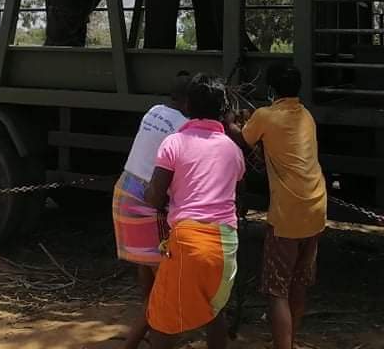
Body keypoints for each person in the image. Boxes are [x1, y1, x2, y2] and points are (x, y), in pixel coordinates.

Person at [226, 63, 326, 349]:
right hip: (316, 208)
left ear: (270, 89)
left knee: (276, 290)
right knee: (298, 283)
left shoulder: (265, 116)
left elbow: (242, 138)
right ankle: (290, 342)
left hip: (287, 214)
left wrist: (229, 121)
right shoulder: (306, 116)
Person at [144, 73, 244, 349]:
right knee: (214, 310)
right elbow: (234, 190)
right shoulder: (232, 150)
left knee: (162, 320)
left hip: (188, 242)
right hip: (225, 244)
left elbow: (154, 197)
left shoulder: (174, 143)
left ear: (187, 105)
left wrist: (150, 193)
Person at [112, 71, 191, 349]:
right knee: (167, 285)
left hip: (125, 189)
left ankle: (149, 323)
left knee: (148, 265)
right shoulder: (184, 126)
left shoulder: (154, 111)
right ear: (189, 101)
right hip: (147, 199)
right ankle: (143, 337)